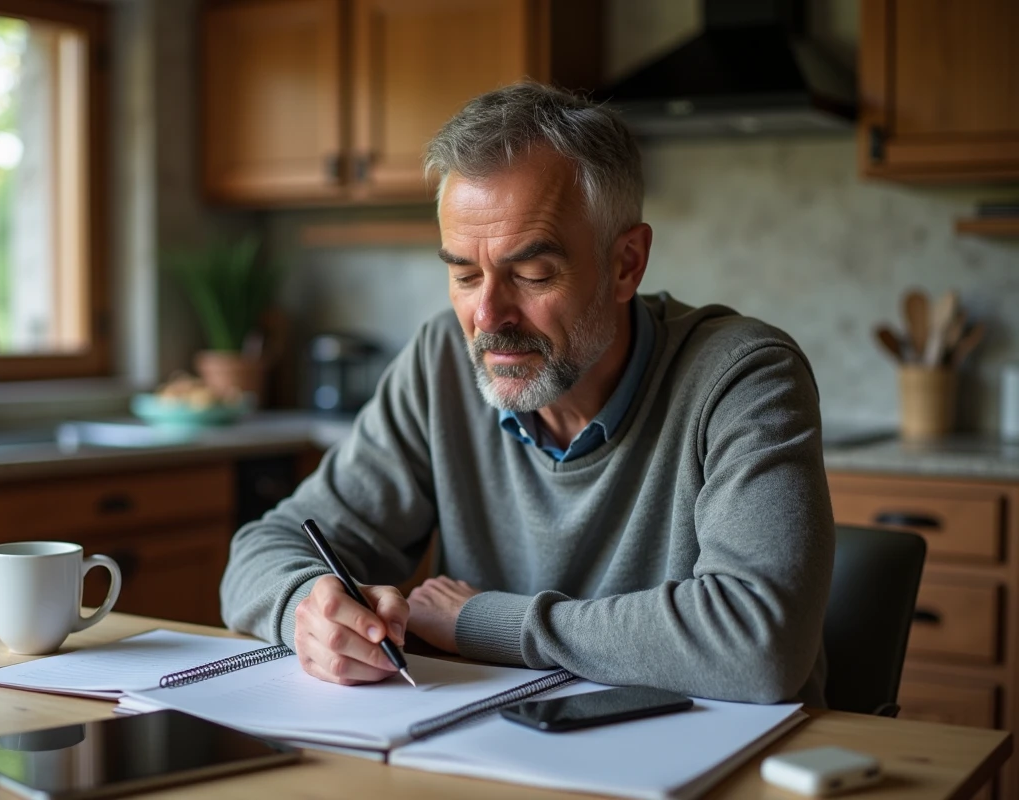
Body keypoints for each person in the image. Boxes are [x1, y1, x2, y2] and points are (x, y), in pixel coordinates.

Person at [220, 82, 834, 705]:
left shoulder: (744, 375)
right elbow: (259, 553)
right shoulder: (441, 362)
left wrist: (482, 622)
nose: (487, 315)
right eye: (463, 274)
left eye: (532, 274)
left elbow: (761, 644)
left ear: (626, 264)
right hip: (499, 750)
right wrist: (309, 609)